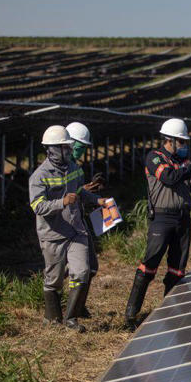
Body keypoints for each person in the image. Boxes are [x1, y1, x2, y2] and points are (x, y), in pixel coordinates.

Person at [125, 118, 191, 329]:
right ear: (170, 140)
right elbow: (168, 177)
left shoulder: (183, 164)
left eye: (185, 143)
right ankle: (131, 315)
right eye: (181, 143)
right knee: (149, 266)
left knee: (177, 270)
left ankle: (169, 311)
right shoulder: (154, 158)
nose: (184, 147)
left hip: (183, 219)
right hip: (162, 219)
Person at [28, 125, 110, 332]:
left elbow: (80, 193)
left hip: (76, 230)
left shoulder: (75, 170)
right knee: (53, 279)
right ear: (52, 149)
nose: (68, 150)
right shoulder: (39, 176)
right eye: (64, 147)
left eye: (68, 147)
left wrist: (96, 200)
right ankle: (52, 317)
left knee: (82, 271)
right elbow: (37, 206)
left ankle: (71, 318)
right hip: (53, 235)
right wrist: (61, 202)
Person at [65, 121, 103, 318]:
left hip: (79, 220)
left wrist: (91, 192)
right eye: (79, 147)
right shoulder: (59, 168)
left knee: (91, 267)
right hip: (64, 224)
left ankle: (78, 305)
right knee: (72, 270)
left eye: (83, 148)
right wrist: (83, 192)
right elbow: (63, 195)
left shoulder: (76, 168)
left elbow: (77, 191)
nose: (81, 152)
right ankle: (66, 311)